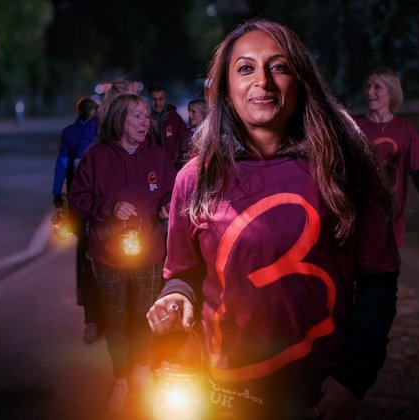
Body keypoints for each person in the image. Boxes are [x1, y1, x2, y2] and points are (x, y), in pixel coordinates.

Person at [146, 19, 401, 420]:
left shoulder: (345, 168)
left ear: (301, 80)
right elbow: (182, 273)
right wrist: (175, 296)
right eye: (245, 68)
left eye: (278, 67)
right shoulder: (194, 178)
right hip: (220, 397)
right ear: (225, 89)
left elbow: (378, 281)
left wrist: (353, 380)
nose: (262, 81)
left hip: (314, 398)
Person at [68, 93, 176, 414]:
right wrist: (109, 207)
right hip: (107, 256)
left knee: (145, 318)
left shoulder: (158, 157)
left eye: (146, 116)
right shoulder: (96, 157)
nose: (146, 122)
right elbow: (78, 198)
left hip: (150, 253)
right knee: (115, 322)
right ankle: (120, 380)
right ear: (119, 120)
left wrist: (166, 206)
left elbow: (172, 193)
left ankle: (142, 371)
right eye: (137, 117)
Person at [353, 68, 419, 246]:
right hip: (358, 215)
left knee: (387, 270)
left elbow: (418, 171)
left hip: (391, 217)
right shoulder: (354, 125)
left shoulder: (406, 130)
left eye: (377, 87)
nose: (369, 91)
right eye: (368, 86)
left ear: (391, 93)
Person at [51, 96, 103, 344]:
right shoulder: (96, 131)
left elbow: (61, 165)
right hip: (90, 205)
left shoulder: (71, 132)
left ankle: (92, 317)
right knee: (92, 258)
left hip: (82, 204)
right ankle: (95, 317)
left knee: (85, 259)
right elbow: (63, 164)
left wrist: (56, 194)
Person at [148, 84, 190, 167]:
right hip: (151, 164)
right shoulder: (145, 119)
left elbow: (185, 139)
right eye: (154, 100)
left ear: (165, 99)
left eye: (160, 99)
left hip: (171, 165)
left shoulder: (175, 118)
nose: (157, 103)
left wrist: (180, 162)